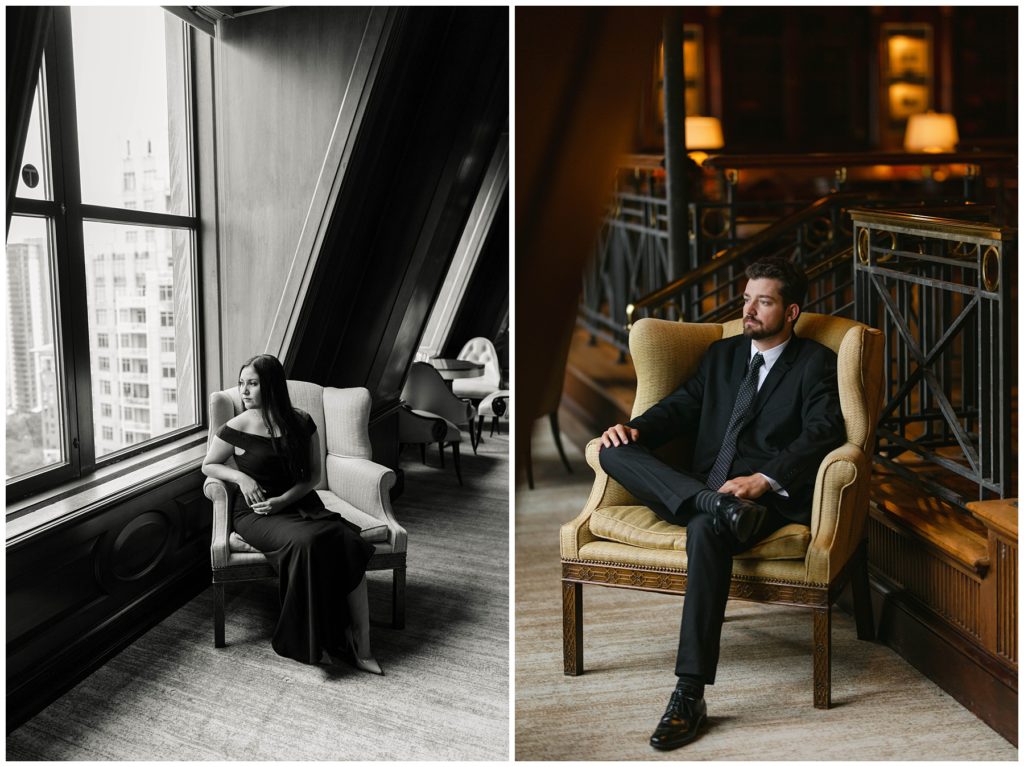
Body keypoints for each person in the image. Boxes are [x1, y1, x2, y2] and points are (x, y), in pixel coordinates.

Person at [597, 257, 844, 750]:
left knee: (705, 530)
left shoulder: (815, 363)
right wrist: (636, 428)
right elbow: (680, 408)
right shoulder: (721, 355)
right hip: (703, 486)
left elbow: (824, 433)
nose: (747, 309)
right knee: (613, 450)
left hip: (760, 502)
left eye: (764, 301)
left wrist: (763, 480)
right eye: (747, 297)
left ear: (791, 311)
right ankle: (710, 504)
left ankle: (688, 694)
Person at [202, 354, 383, 675]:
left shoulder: (301, 421)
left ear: (271, 385)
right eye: (241, 383)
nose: (244, 391)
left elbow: (312, 476)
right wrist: (242, 478)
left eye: (253, 384)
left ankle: (361, 640)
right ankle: (312, 638)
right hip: (256, 514)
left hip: (299, 503)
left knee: (347, 540)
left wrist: (283, 500)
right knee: (310, 541)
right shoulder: (237, 425)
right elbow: (209, 464)